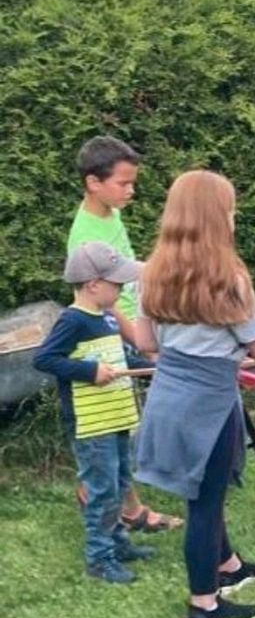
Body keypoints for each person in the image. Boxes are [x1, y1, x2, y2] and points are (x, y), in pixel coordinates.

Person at [132, 169, 255, 618]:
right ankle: (203, 607)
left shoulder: (153, 272)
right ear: (216, 218)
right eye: (230, 210)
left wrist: (199, 354)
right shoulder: (229, 278)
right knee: (204, 503)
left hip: (171, 392)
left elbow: (146, 342)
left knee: (208, 490)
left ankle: (228, 566)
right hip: (208, 400)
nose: (234, 217)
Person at [68, 134, 183, 534]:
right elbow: (107, 301)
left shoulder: (109, 215)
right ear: (93, 182)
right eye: (123, 183)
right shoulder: (87, 235)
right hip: (112, 335)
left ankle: (118, 498)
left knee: (126, 420)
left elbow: (127, 270)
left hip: (133, 326)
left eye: (133, 182)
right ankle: (116, 500)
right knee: (118, 422)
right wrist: (141, 341)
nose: (131, 190)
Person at [33, 241, 158, 584]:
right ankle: (99, 559)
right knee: (101, 489)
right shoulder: (73, 320)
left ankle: (118, 544)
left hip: (116, 414)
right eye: (117, 283)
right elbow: (44, 359)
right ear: (93, 284)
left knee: (119, 482)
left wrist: (151, 367)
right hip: (92, 423)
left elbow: (118, 362)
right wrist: (89, 372)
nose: (122, 288)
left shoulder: (105, 318)